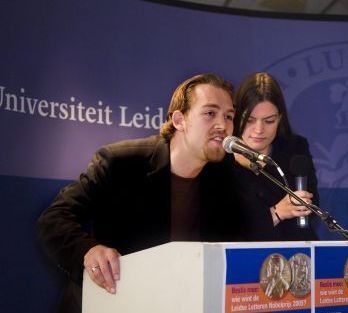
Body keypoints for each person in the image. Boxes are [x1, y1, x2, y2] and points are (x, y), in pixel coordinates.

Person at [36, 73, 243, 313]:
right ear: (179, 120)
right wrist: (88, 251)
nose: (223, 125)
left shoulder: (225, 176)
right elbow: (53, 218)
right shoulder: (121, 162)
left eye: (229, 116)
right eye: (210, 113)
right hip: (110, 302)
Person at [231, 72, 319, 241]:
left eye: (269, 121)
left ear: (280, 118)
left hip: (298, 250)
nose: (259, 130)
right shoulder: (221, 158)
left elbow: (313, 208)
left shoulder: (295, 147)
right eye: (249, 120)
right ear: (236, 116)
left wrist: (260, 166)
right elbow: (228, 228)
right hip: (247, 256)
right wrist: (277, 212)